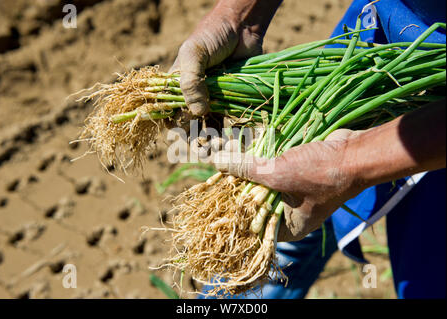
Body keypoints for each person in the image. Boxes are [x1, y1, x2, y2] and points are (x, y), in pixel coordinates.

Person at [169, 0, 446, 298]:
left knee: (426, 278)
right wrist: (238, 16)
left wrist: (347, 162)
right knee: (270, 229)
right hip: (373, 44)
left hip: (435, 124)